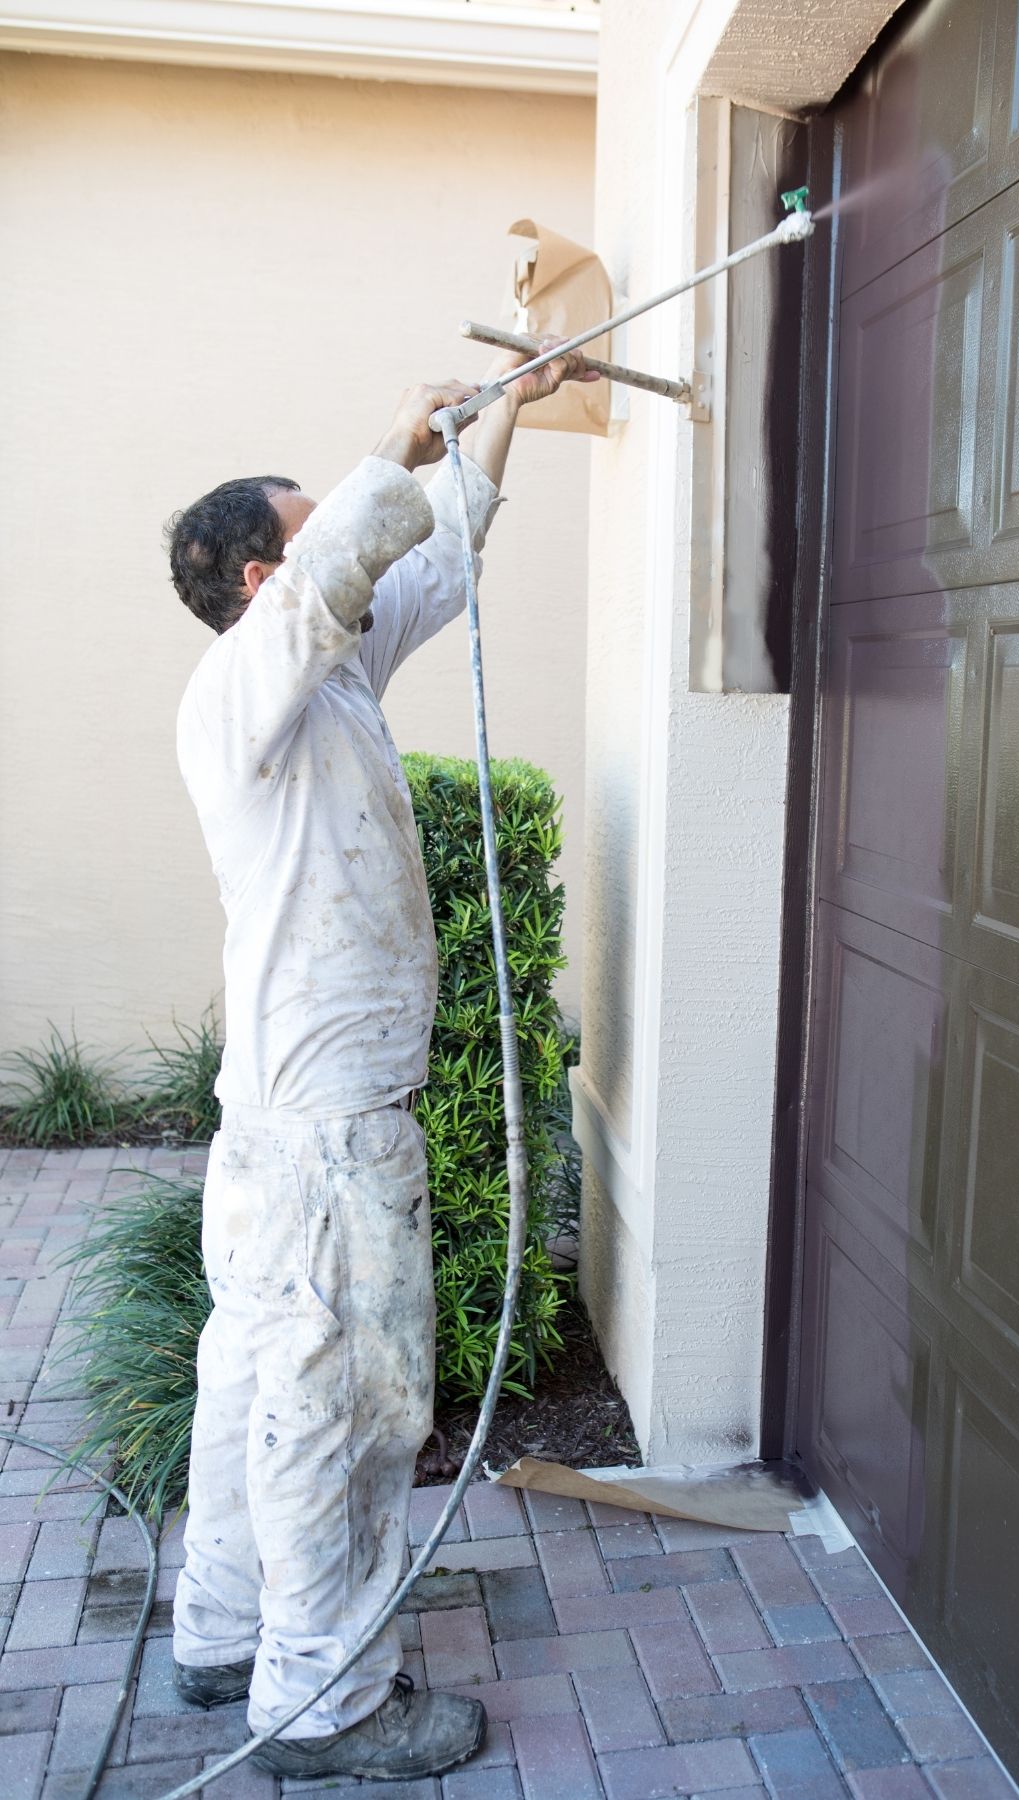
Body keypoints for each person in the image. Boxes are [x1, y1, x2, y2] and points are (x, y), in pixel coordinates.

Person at [164, 345, 592, 1783]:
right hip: (323, 1131)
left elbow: (433, 562)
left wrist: (505, 414)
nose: (338, 555)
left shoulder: (331, 673)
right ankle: (325, 1701)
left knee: (254, 1381)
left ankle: (222, 1633)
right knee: (340, 1407)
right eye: (307, 540)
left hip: (295, 1123)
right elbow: (347, 560)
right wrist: (392, 444)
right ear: (256, 580)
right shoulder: (241, 686)